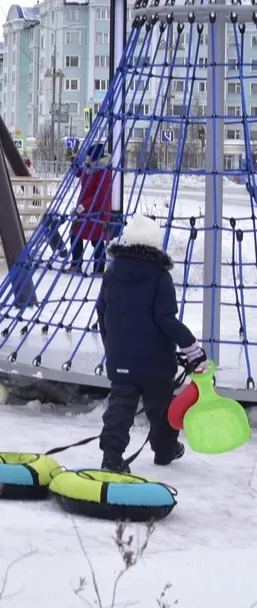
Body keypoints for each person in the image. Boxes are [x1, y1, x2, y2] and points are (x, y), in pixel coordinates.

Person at [95, 214, 204, 472]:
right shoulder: (160, 277)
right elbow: (166, 319)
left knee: (120, 407)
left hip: (121, 358)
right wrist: (191, 348)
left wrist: (111, 345)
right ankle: (165, 450)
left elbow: (101, 312)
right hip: (156, 361)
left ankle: (111, 454)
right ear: (156, 244)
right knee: (161, 408)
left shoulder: (111, 273)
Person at [71, 145, 114, 274]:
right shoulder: (90, 168)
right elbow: (77, 172)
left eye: (89, 157)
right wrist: (75, 160)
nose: (87, 159)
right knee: (75, 234)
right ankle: (76, 264)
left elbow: (100, 194)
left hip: (97, 210)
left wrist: (84, 205)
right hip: (85, 209)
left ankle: (99, 268)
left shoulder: (103, 171)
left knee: (97, 240)